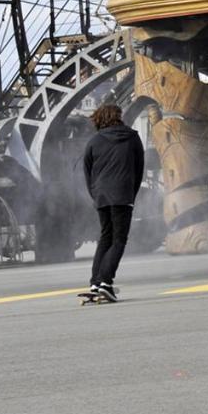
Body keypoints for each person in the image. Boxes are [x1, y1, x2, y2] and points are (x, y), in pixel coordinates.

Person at [82, 104, 144, 302]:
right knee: (119, 240)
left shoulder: (94, 141)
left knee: (106, 238)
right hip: (122, 194)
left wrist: (96, 195)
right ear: (119, 117)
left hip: (101, 196)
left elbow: (87, 171)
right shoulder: (132, 138)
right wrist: (130, 195)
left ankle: (95, 282)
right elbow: (139, 169)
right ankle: (106, 282)